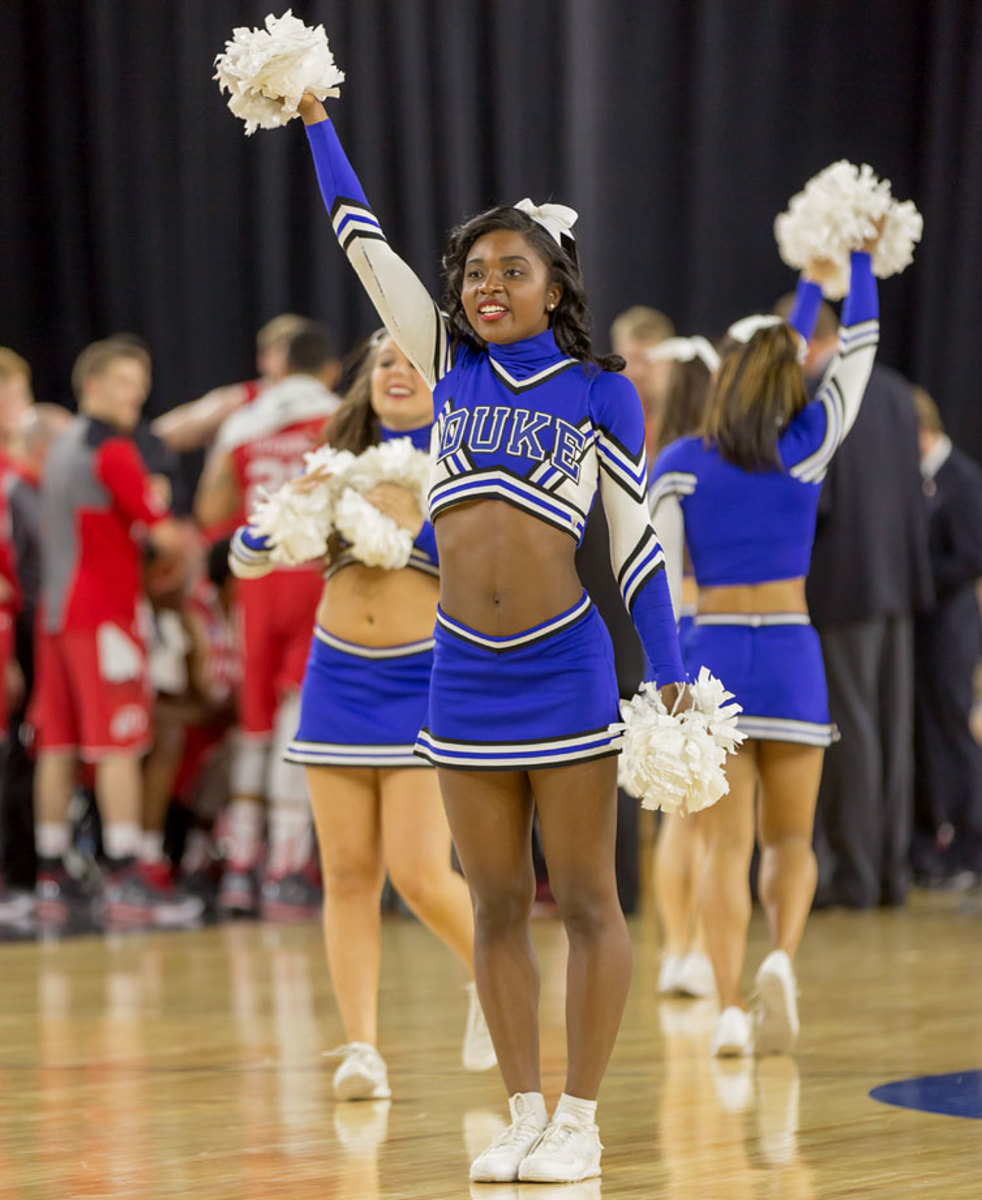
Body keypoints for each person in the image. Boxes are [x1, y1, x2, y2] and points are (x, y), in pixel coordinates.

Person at [293, 92, 688, 1186]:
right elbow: (362, 241)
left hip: (563, 662)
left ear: (556, 285)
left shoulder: (602, 392)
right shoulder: (444, 366)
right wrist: (318, 115)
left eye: (512, 270)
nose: (486, 287)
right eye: (474, 273)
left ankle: (581, 1120)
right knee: (498, 902)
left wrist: (665, 677)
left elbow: (635, 545)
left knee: (588, 898)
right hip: (459, 673)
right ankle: (520, 1110)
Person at [231, 329, 496, 1098]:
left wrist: (413, 529)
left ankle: (496, 979)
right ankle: (360, 1050)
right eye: (384, 361)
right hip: (337, 681)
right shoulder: (334, 463)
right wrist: (306, 506)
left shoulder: (463, 462)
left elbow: (492, 572)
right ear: (365, 380)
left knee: (418, 872)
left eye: (412, 359)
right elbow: (248, 556)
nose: (396, 372)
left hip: (423, 681)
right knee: (346, 874)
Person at [649, 240, 881, 1057]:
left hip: (711, 656)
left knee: (723, 846)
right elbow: (857, 353)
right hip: (790, 653)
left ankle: (727, 1013)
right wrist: (855, 263)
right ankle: (780, 956)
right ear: (792, 381)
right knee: (790, 842)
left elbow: (659, 575)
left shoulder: (678, 463)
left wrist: (666, 680)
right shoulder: (809, 444)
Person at [773, 295, 933, 908]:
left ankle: (857, 878)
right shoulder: (895, 391)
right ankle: (891, 874)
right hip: (900, 585)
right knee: (893, 732)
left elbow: (820, 500)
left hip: (841, 586)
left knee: (852, 734)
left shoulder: (818, 395)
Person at [31, 337, 197, 924]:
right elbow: (166, 535)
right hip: (102, 618)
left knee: (57, 746)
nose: (139, 396)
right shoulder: (115, 451)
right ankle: (128, 874)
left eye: (141, 385)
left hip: (53, 618)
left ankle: (52, 875)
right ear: (95, 385)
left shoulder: (58, 446)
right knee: (120, 745)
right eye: (128, 383)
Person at [195, 323, 341, 918]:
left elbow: (210, 509)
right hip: (313, 578)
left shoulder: (245, 421)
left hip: (254, 579)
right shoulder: (338, 414)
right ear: (330, 369)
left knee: (252, 722)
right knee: (295, 716)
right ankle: (285, 866)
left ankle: (238, 867)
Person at [646, 337, 720, 1000]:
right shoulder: (717, 464)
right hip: (708, 633)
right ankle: (692, 949)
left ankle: (678, 950)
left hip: (666, 634)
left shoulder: (657, 462)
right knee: (707, 814)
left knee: (677, 811)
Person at [911, 387, 982, 886]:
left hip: (953, 628)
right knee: (931, 734)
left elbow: (974, 556)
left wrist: (918, 576)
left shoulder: (961, 478)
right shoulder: (922, 480)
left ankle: (971, 843)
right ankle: (937, 840)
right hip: (926, 627)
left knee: (955, 731)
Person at [151, 314, 319, 453]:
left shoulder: (324, 405)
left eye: (296, 352)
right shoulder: (239, 400)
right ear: (262, 361)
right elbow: (158, 436)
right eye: (282, 351)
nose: (289, 359)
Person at [610, 306, 676, 459]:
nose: (637, 372)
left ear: (670, 362)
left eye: (647, 360)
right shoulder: (600, 417)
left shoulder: (694, 419)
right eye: (629, 359)